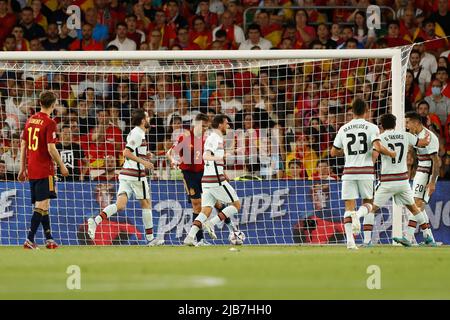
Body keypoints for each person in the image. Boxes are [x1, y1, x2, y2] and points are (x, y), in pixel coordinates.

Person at [354, 113, 434, 247]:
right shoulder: (405, 135)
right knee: (414, 209)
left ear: (381, 126)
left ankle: (367, 241)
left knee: (371, 208)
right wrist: (428, 135)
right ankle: (428, 236)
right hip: (403, 181)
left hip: (387, 181)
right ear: (395, 124)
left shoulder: (380, 138)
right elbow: (423, 142)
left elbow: (373, 157)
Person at [87, 109, 163, 246]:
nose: (149, 119)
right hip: (136, 175)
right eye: (147, 117)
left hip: (126, 174)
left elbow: (134, 152)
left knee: (120, 205)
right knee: (146, 204)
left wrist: (146, 155)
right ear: (142, 120)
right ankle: (151, 238)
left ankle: (96, 220)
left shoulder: (137, 133)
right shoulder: (138, 133)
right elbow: (126, 152)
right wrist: (144, 162)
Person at [330, 98, 395, 250]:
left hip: (348, 172)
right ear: (366, 110)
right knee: (369, 204)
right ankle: (358, 217)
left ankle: (350, 243)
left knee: (348, 207)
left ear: (352, 111)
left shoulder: (343, 128)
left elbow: (333, 152)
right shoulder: (372, 127)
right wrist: (390, 153)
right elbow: (377, 146)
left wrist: (345, 151)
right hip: (365, 171)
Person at [167, 113, 238, 246]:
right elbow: (170, 153)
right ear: (196, 124)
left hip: (204, 174)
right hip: (189, 174)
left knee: (217, 203)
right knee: (197, 205)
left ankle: (232, 231)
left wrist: (223, 172)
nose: (205, 128)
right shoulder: (185, 137)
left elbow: (212, 158)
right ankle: (199, 240)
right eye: (203, 126)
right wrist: (173, 161)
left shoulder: (206, 140)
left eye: (206, 126)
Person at [18, 91, 69, 249]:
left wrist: (22, 169)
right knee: (41, 204)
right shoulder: (50, 123)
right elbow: (51, 148)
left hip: (32, 168)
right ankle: (29, 239)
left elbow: (23, 145)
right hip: (44, 169)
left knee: (44, 205)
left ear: (40, 103)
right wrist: (62, 165)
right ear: (53, 105)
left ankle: (49, 239)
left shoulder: (30, 120)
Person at [404, 111, 441, 245]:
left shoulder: (428, 137)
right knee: (419, 205)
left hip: (427, 173)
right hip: (420, 170)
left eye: (408, 122)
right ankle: (429, 238)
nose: (407, 125)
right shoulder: (416, 136)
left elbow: (436, 162)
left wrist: (432, 183)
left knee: (417, 204)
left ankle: (407, 237)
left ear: (416, 122)